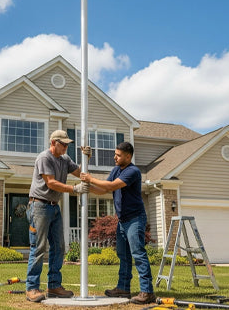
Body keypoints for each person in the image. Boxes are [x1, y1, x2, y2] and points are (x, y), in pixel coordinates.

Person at [80, 141, 156, 305]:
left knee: (138, 255)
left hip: (135, 219)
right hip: (122, 221)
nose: (114, 157)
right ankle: (123, 288)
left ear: (128, 156)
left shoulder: (133, 171)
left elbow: (112, 185)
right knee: (123, 255)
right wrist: (87, 187)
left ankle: (147, 292)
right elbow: (105, 189)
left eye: (118, 155)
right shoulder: (116, 170)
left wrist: (91, 178)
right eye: (115, 154)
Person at [25, 129, 91, 303]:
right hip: (39, 206)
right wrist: (73, 189)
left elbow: (81, 174)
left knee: (59, 247)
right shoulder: (44, 158)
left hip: (54, 207)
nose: (66, 147)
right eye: (64, 144)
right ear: (54, 143)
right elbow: (51, 183)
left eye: (68, 144)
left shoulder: (65, 160)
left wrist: (86, 158)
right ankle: (32, 288)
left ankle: (54, 286)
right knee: (38, 248)